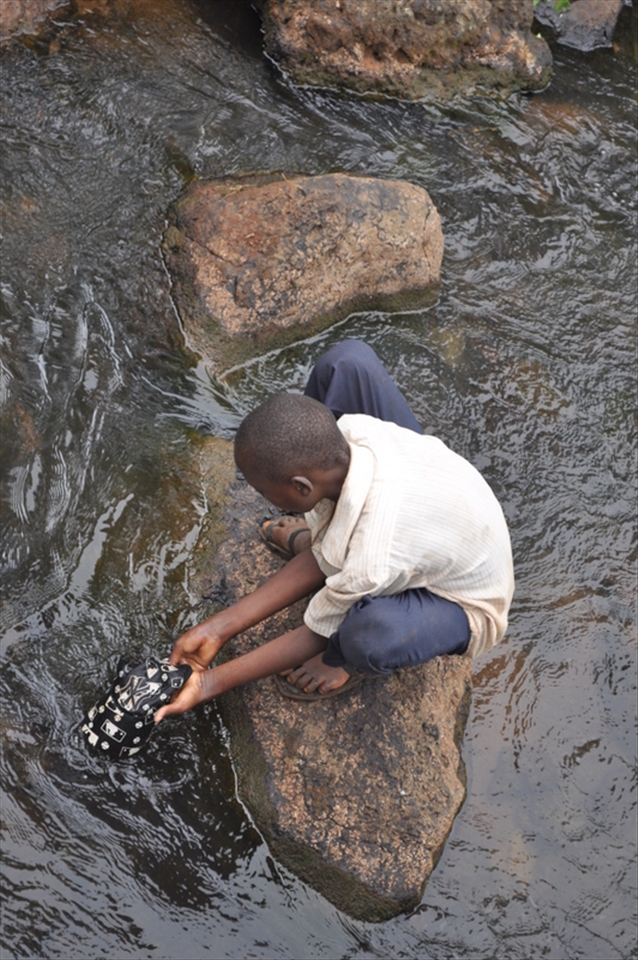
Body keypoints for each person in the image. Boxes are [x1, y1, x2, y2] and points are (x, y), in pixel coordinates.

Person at [155, 340, 514, 720]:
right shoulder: (353, 431)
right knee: (346, 363)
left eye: (263, 489)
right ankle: (326, 539)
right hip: (437, 499)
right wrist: (217, 629)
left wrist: (210, 684)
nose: (258, 494)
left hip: (461, 601)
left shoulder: (371, 555)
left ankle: (345, 663)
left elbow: (317, 630)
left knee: (366, 635)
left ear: (302, 487)